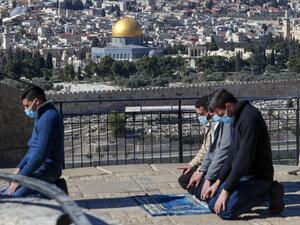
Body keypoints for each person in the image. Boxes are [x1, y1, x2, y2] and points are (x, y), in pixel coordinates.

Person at [204, 89, 284, 220]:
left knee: (225, 211)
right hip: (243, 175)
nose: (220, 118)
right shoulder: (235, 117)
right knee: (213, 204)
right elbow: (232, 153)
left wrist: (226, 191)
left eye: (220, 114)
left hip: (257, 176)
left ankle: (269, 191)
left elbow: (244, 158)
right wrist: (218, 182)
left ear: (228, 106)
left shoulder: (249, 118)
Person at [1, 86, 67, 197]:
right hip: (39, 169)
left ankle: (56, 189)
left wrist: (22, 176)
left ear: (36, 101)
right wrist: (19, 168)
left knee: (14, 198)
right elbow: (33, 148)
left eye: (26, 106)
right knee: (8, 191)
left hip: (47, 171)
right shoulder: (41, 115)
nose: (25, 110)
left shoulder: (48, 118)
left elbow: (40, 155)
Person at [177, 96, 213, 194]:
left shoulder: (215, 126)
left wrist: (200, 170)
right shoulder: (208, 125)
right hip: (206, 164)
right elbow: (204, 149)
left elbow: (214, 153)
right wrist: (191, 165)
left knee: (191, 182)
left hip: (212, 166)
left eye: (201, 114)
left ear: (209, 111)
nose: (199, 117)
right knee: (183, 180)